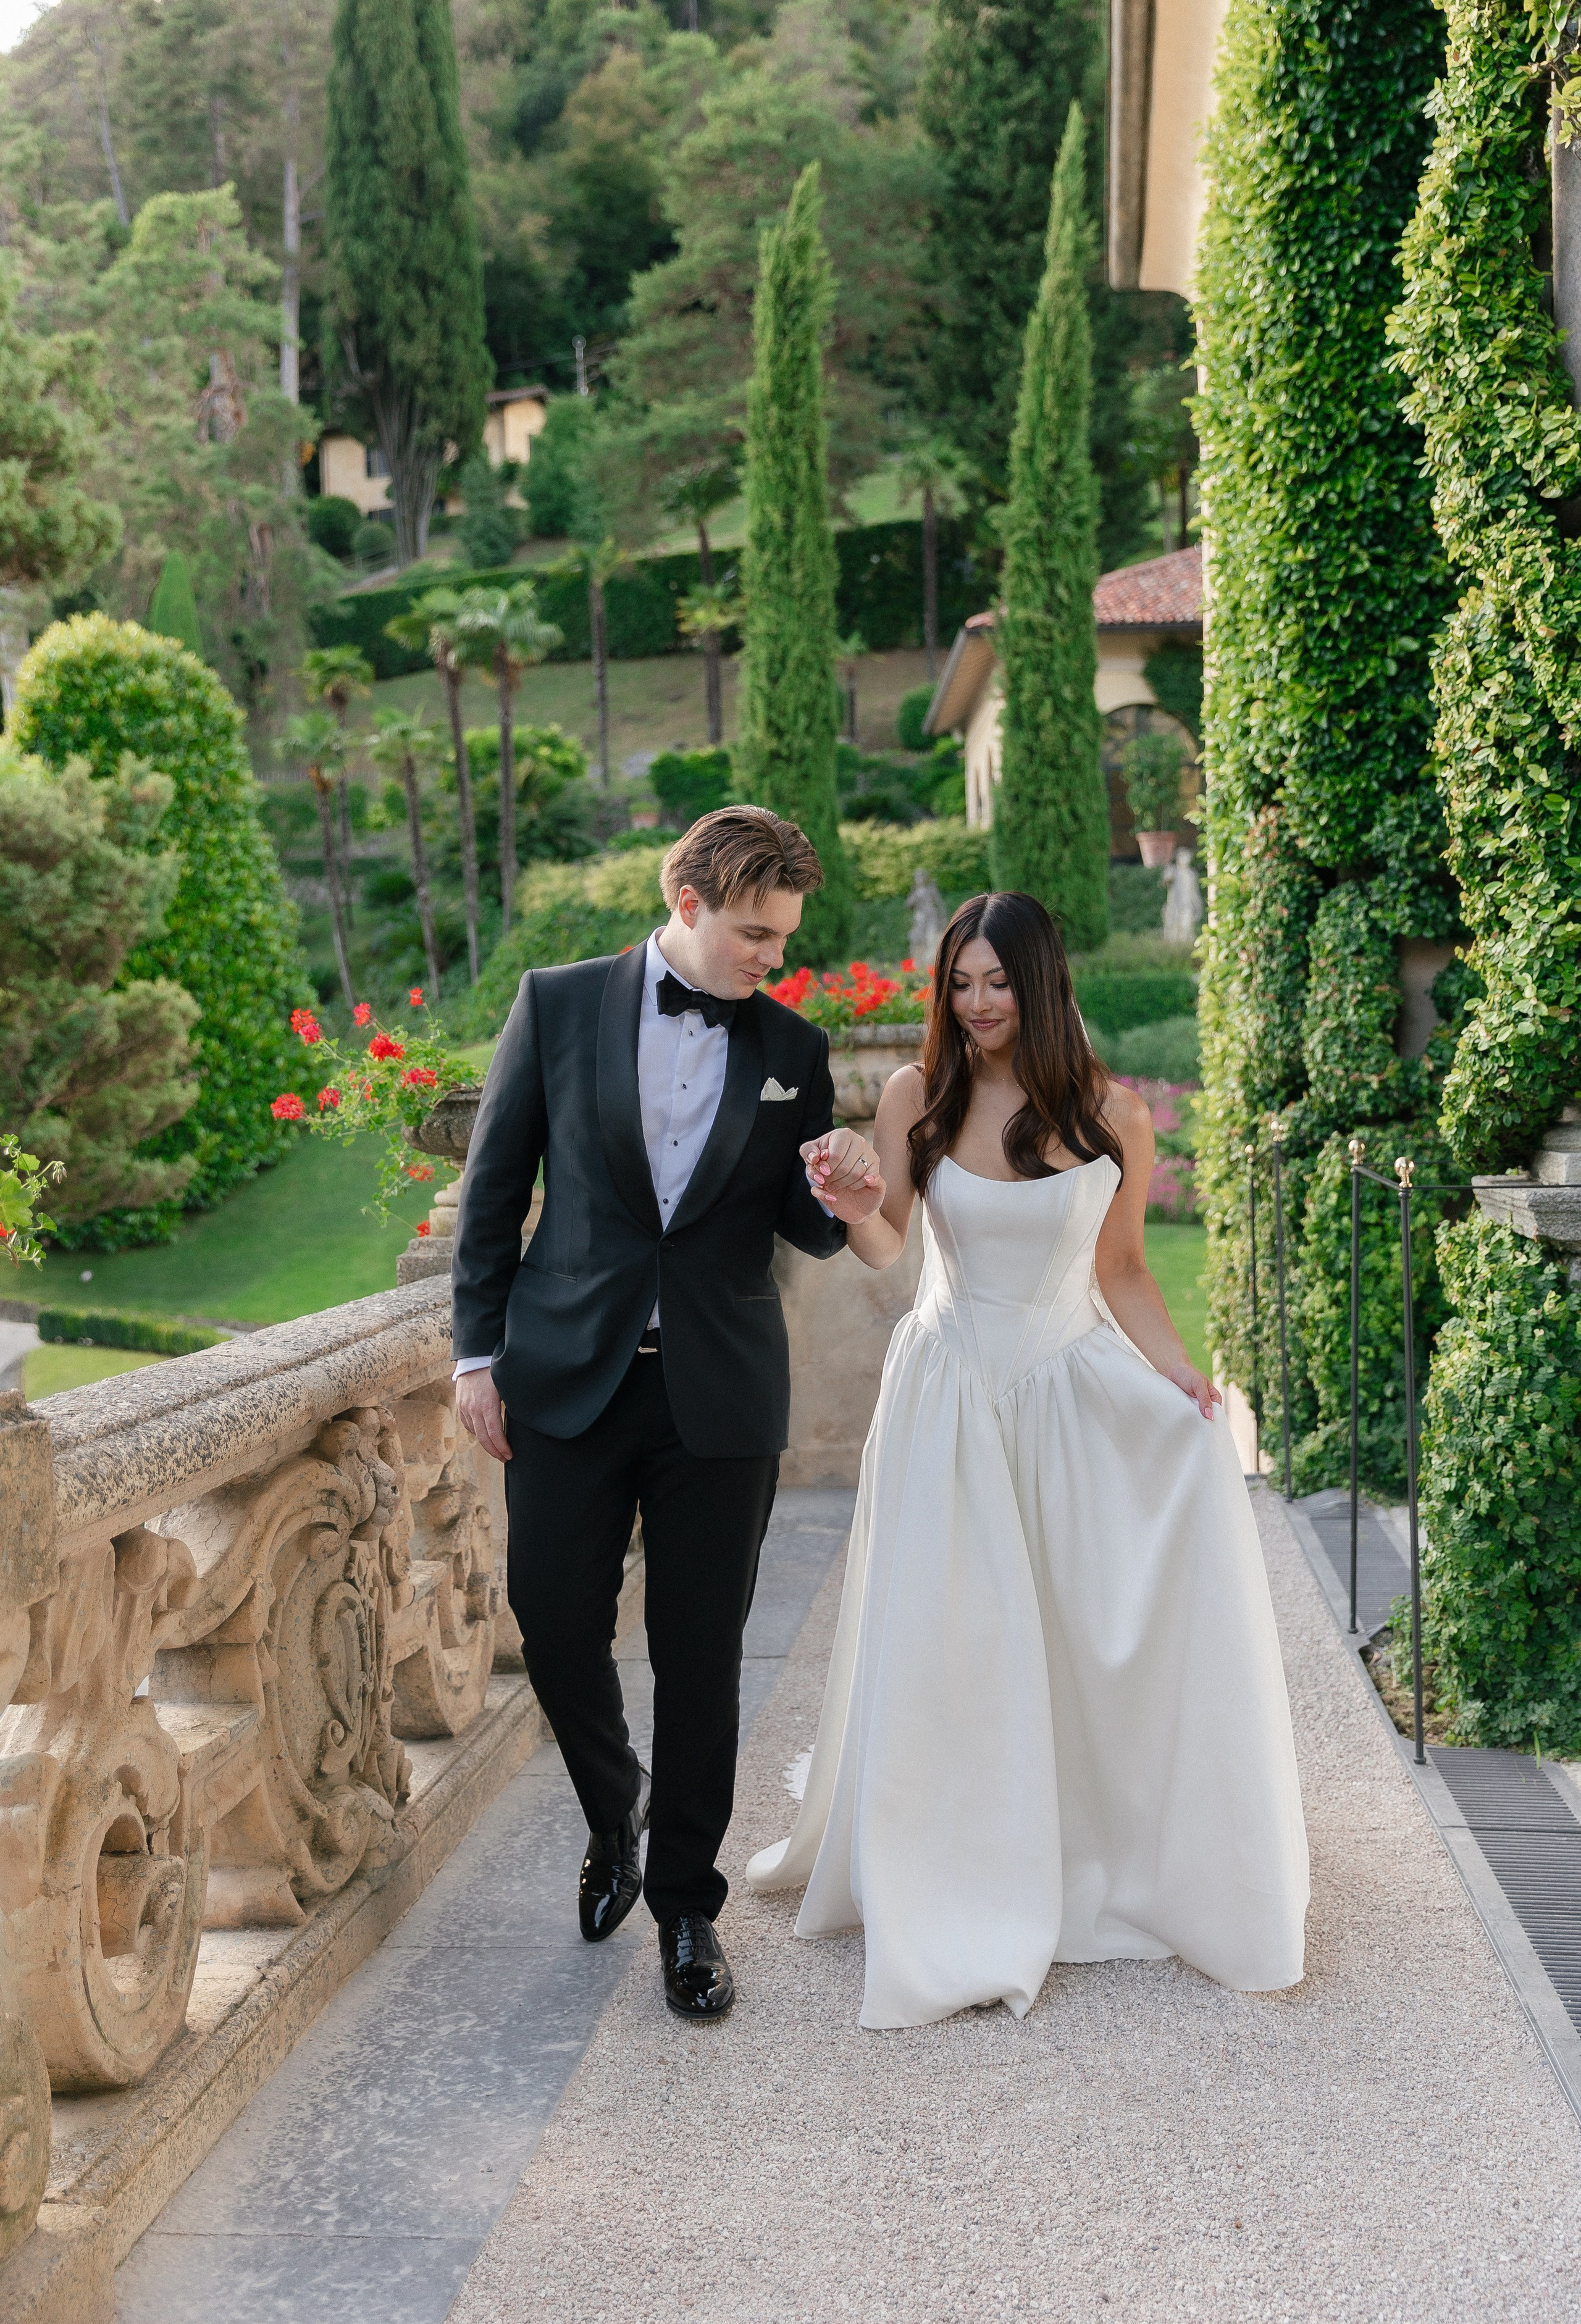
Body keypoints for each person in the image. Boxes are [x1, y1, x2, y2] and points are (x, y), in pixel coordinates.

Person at [747, 890, 1309, 2029]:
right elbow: (886, 1244)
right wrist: (853, 1200)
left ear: (1041, 981)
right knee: (950, 1636)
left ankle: (1092, 1843)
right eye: (960, 983)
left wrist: (1181, 1378)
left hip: (1064, 1390)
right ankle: (948, 1863)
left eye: (997, 982)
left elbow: (1124, 1271)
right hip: (947, 1394)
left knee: (1075, 1624)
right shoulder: (918, 1094)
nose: (976, 1003)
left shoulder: (1113, 1115)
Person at [450, 806, 885, 2023]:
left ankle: (688, 1909)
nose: (773, 958)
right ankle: (615, 1810)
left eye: (784, 937)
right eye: (755, 934)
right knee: (552, 1623)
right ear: (686, 904)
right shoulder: (556, 1004)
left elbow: (802, 1226)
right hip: (566, 1376)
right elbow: (493, 1190)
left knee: (702, 1657)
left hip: (721, 1396)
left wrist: (842, 1192)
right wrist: (474, 1356)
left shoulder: (792, 1044)